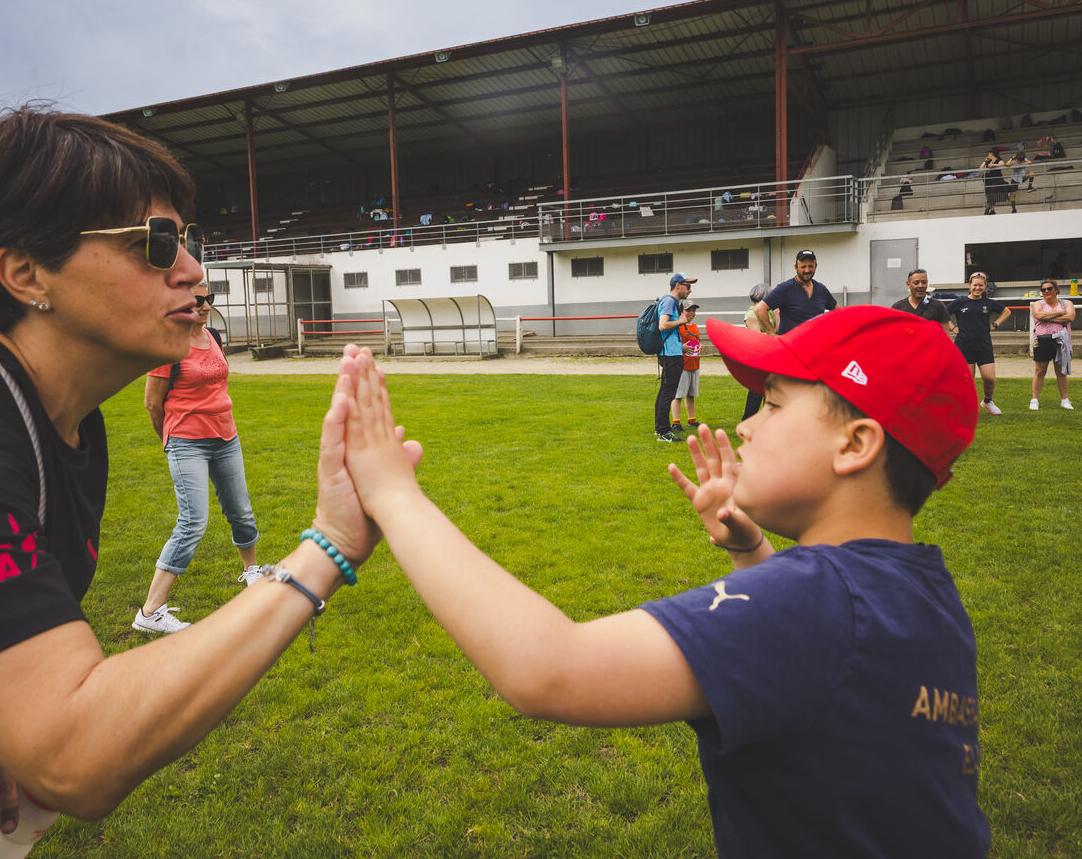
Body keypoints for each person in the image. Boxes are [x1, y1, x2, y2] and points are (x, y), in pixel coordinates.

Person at [0, 107, 411, 858]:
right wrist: (326, 546)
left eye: (187, 242)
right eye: (154, 244)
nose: (193, 270)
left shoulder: (62, 421)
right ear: (26, 273)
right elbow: (73, 752)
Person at [328, 305, 989, 858]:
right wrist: (752, 551)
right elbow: (830, 671)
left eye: (772, 404)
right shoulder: (926, 594)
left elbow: (548, 669)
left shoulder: (815, 602)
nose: (747, 425)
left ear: (856, 444)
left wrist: (393, 493)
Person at [136, 281, 260, 634]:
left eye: (209, 299)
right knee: (192, 522)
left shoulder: (213, 336)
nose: (205, 305)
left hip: (226, 436)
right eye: (198, 300)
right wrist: (172, 440)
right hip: (187, 441)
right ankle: (150, 611)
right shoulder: (168, 345)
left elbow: (217, 386)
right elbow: (152, 403)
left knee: (241, 511)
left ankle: (252, 572)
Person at [947, 272, 1011, 415]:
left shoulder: (988, 303)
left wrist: (995, 324)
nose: (977, 288)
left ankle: (987, 401)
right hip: (964, 346)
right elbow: (943, 314)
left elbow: (1006, 312)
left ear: (985, 287)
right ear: (969, 285)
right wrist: (953, 328)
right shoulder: (960, 302)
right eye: (975, 285)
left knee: (989, 379)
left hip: (983, 346)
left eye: (981, 285)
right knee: (967, 381)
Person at [654, 273, 695, 443]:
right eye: (687, 286)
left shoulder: (669, 301)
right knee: (668, 393)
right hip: (671, 356)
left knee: (664, 391)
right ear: (677, 285)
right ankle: (664, 432)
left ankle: (660, 428)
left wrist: (680, 346)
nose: (690, 290)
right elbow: (663, 325)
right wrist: (681, 320)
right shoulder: (670, 301)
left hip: (671, 352)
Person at [756, 249, 836, 335]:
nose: (807, 270)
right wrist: (771, 333)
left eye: (810, 266)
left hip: (815, 342)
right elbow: (759, 309)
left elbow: (839, 312)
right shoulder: (785, 289)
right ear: (796, 267)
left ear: (815, 266)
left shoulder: (822, 290)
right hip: (791, 342)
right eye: (803, 267)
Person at [1030, 278, 1075, 410]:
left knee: (1061, 372)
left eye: (1049, 288)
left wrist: (1047, 317)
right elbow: (1038, 315)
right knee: (1039, 371)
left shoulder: (1067, 303)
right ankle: (1034, 400)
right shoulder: (1037, 304)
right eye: (1043, 290)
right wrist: (1059, 313)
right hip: (1041, 342)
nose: (1046, 291)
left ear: (1056, 290)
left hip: (1061, 342)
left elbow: (1070, 317)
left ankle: (1065, 400)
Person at [740, 283, 772, 420]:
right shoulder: (751, 313)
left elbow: (778, 331)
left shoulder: (770, 312)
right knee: (756, 392)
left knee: (769, 390)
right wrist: (773, 335)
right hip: (757, 357)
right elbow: (757, 336)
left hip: (770, 356)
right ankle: (748, 419)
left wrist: (777, 318)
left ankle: (767, 419)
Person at [670, 302, 702, 433]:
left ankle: (692, 419)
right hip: (682, 365)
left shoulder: (694, 326)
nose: (691, 313)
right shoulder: (677, 326)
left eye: (694, 310)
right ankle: (676, 422)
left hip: (694, 364)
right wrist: (681, 347)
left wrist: (700, 346)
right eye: (688, 310)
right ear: (681, 311)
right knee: (678, 395)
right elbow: (671, 343)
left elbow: (697, 341)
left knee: (691, 394)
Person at [980, 150, 1007, 215]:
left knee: (992, 194)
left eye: (989, 153)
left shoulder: (998, 160)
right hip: (988, 180)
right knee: (988, 194)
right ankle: (991, 209)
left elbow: (1002, 164)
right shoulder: (988, 160)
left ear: (992, 153)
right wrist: (985, 161)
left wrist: (993, 165)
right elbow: (981, 168)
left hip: (995, 180)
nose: (988, 155)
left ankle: (989, 208)